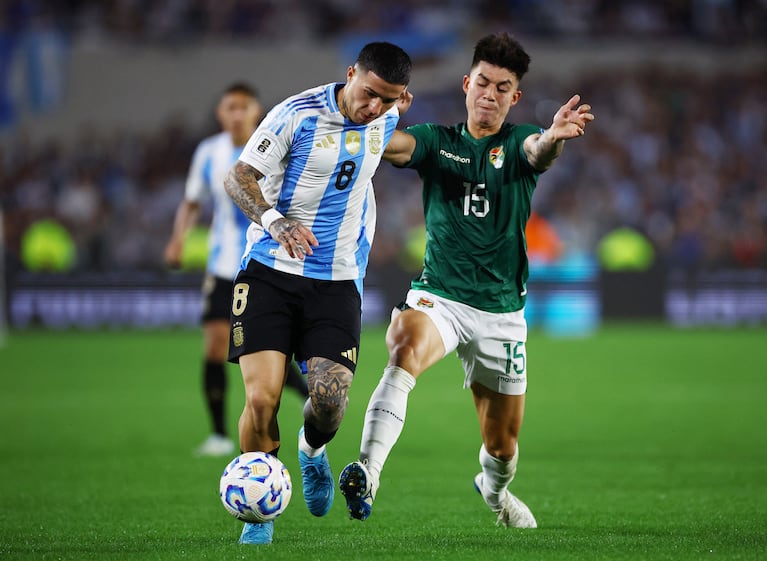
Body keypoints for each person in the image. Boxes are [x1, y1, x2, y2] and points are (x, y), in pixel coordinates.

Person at [338, 32, 594, 528]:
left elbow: (539, 152)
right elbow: (389, 147)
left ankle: (496, 495)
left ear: (515, 97)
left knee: (502, 444)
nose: (490, 95)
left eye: (503, 88)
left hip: (501, 311)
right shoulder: (439, 142)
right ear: (466, 84)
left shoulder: (519, 142)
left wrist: (554, 138)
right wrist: (378, 111)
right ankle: (367, 472)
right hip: (441, 296)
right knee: (404, 348)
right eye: (483, 83)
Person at [223, 42, 412, 544]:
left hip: (335, 282)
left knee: (329, 401)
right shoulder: (294, 115)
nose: (374, 108)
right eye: (369, 93)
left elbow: (393, 121)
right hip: (268, 272)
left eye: (388, 101)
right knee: (262, 399)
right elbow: (238, 176)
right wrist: (275, 220)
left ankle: (310, 453)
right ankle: (257, 519)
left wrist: (394, 108)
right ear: (350, 73)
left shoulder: (386, 117)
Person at [164, 82, 309, 458]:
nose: (237, 113)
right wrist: (178, 239)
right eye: (230, 107)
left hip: (263, 263)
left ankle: (303, 393)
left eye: (244, 107)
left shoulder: (274, 145)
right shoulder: (209, 152)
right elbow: (192, 201)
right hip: (222, 264)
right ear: (220, 113)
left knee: (266, 350)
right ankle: (218, 434)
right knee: (214, 343)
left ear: (257, 111)